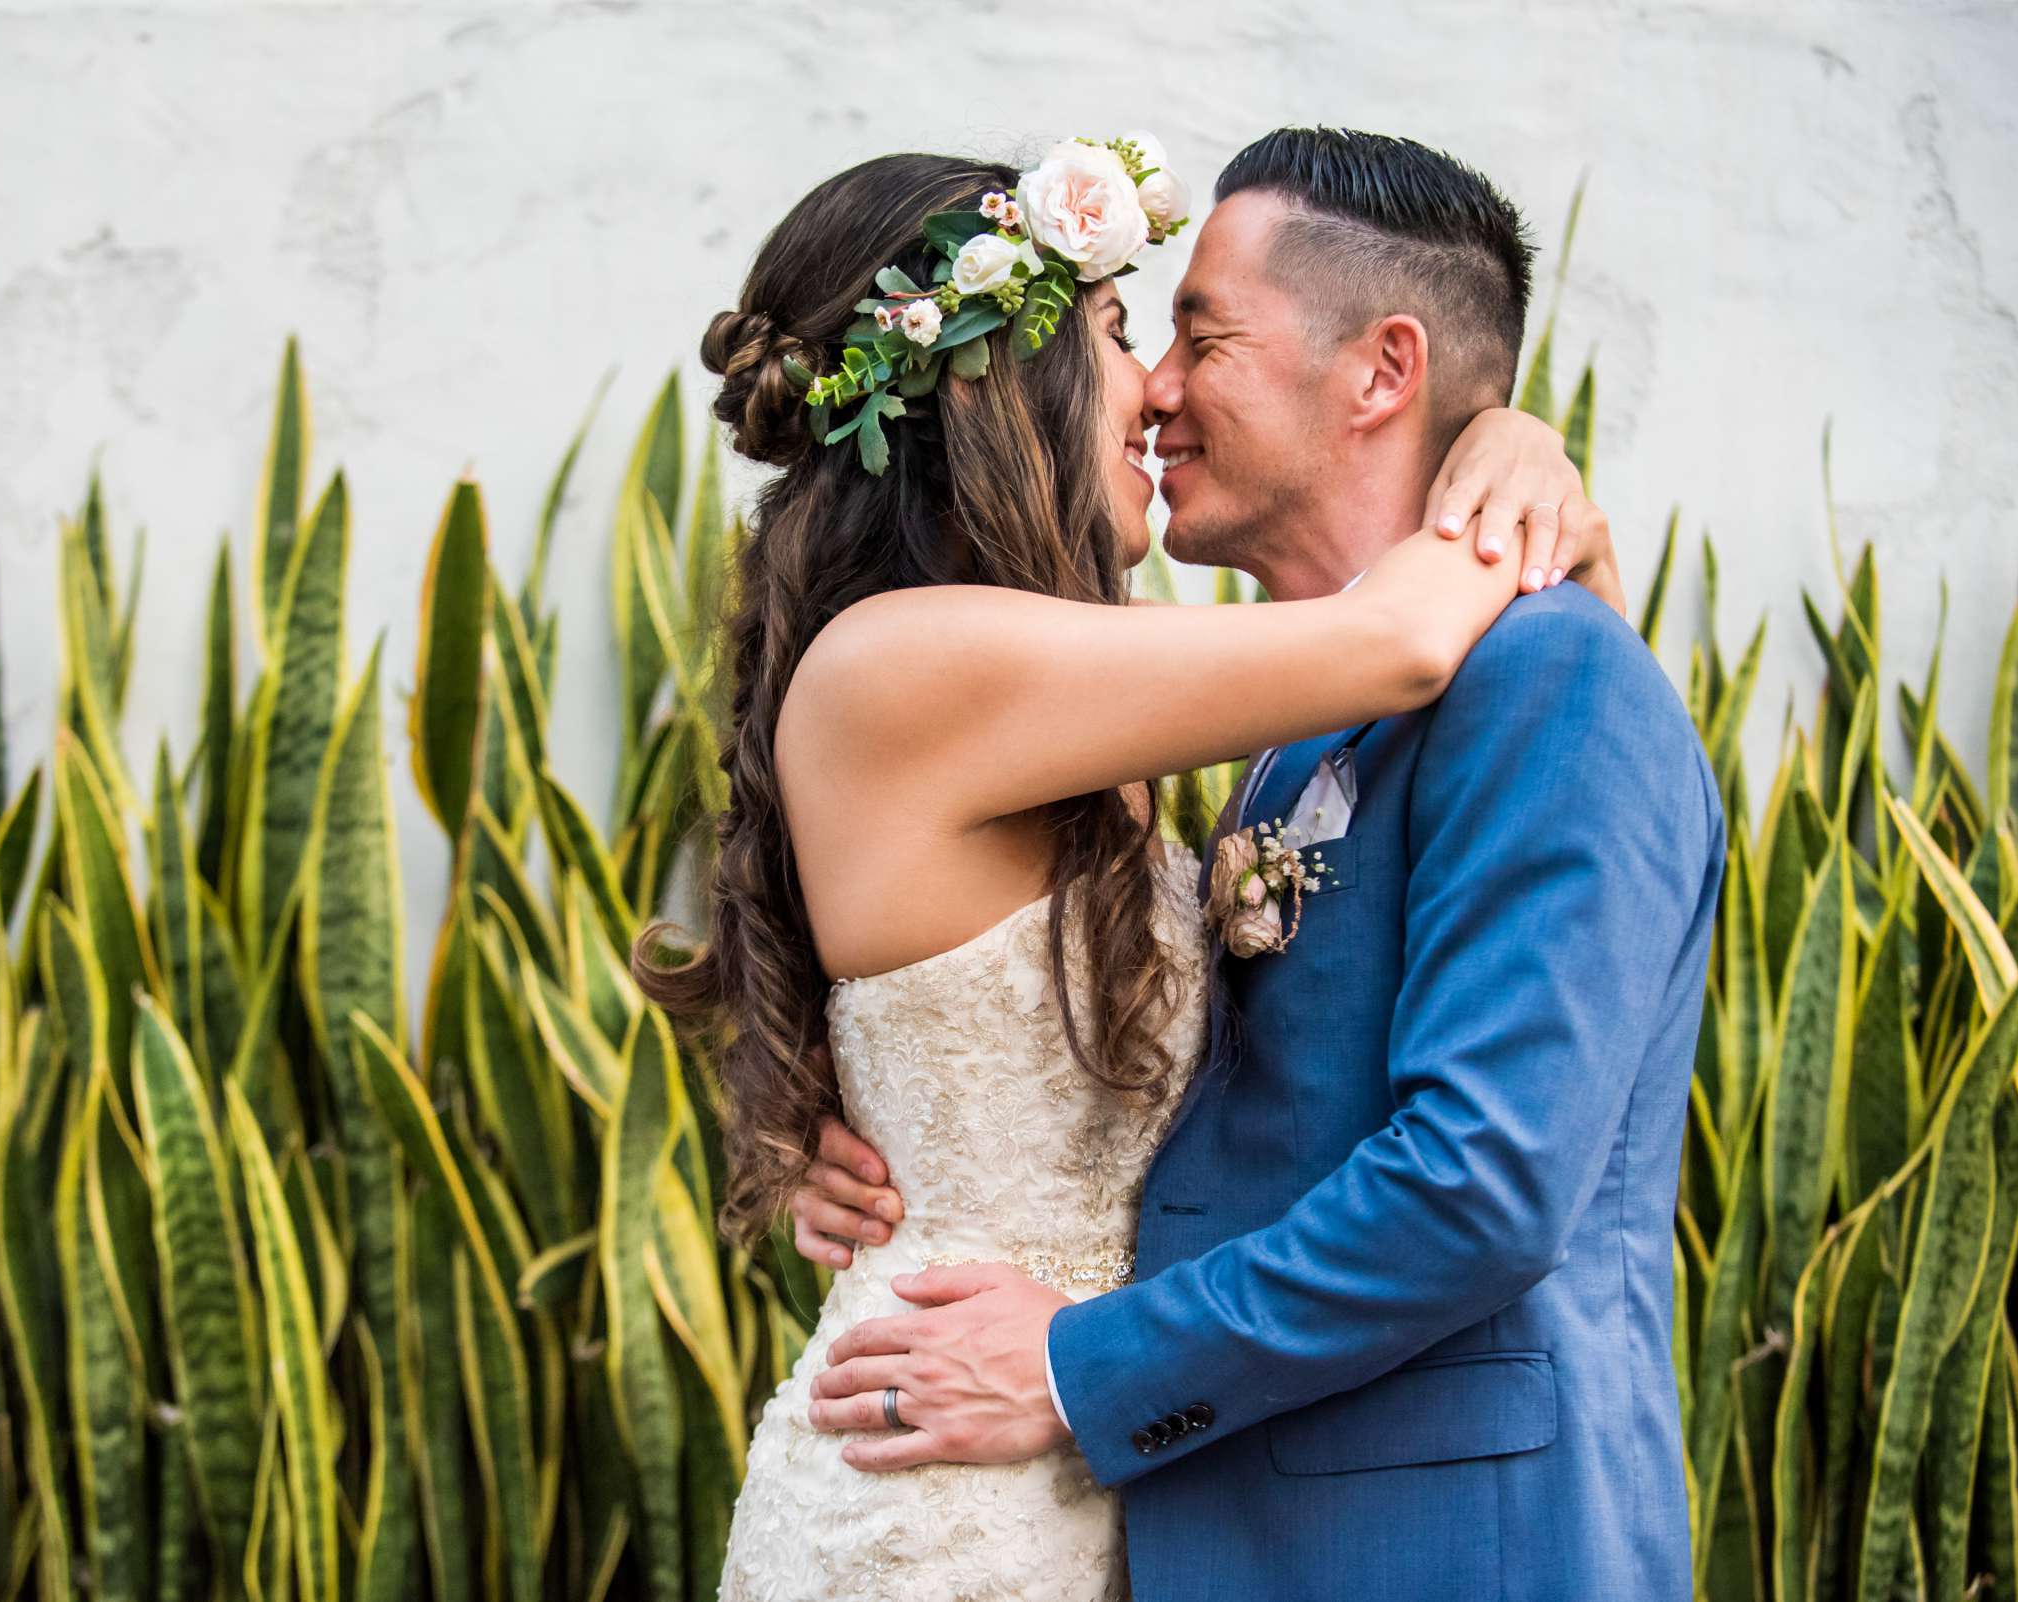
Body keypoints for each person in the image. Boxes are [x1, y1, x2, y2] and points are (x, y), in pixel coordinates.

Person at [635, 132, 1626, 1602]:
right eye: (1115, 330)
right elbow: (1406, 640)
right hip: (954, 1502)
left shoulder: (1056, 699)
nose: (1154, 385)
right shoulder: (912, 660)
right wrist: (1509, 450)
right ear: (993, 379)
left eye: (1177, 334)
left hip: (1108, 1455)